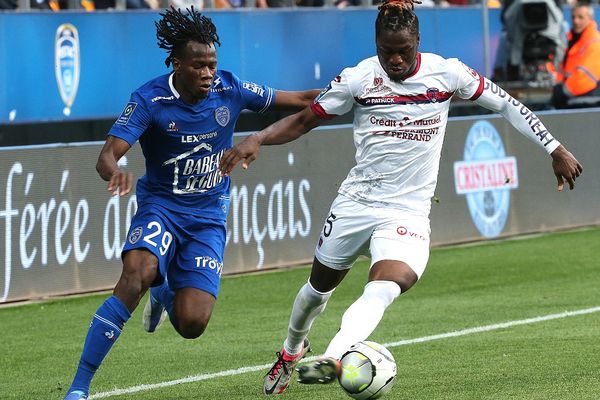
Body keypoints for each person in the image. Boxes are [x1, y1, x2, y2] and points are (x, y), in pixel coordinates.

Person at [219, 0, 583, 395]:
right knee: (316, 291)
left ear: (418, 42)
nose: (394, 59)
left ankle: (334, 356)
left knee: (387, 285)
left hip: (407, 210)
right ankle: (291, 350)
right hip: (356, 203)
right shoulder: (358, 78)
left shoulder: (447, 73)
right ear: (375, 43)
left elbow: (507, 105)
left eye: (403, 50)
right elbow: (305, 120)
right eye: (386, 50)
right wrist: (257, 137)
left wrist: (554, 147)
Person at [62, 7, 319, 400]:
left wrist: (354, 91)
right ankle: (79, 388)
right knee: (135, 275)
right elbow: (106, 156)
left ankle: (163, 292)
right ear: (177, 64)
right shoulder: (150, 99)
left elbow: (301, 98)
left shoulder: (230, 90)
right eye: (198, 65)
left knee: (192, 323)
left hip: (207, 218)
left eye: (212, 64)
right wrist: (115, 170)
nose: (207, 73)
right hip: (161, 208)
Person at [550, 2, 600, 108]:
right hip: (574, 99)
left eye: (580, 17)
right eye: (573, 17)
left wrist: (562, 91)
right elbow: (561, 68)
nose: (575, 21)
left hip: (590, 102)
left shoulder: (595, 42)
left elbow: (585, 78)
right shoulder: (572, 41)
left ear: (590, 18)